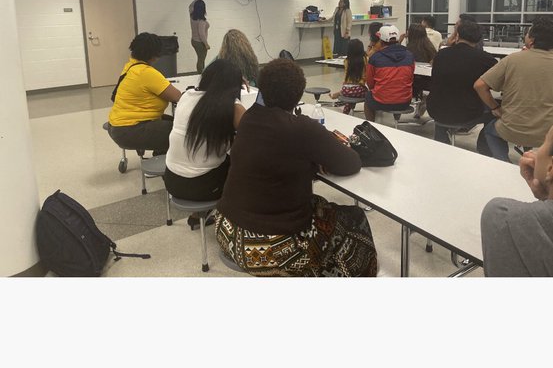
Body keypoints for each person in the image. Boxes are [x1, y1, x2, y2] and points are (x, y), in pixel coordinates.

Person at [215, 58, 377, 276]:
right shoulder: (301, 128)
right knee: (354, 218)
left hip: (228, 229)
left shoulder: (248, 118)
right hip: (267, 247)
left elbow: (276, 157)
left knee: (321, 207)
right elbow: (350, 163)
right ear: (298, 96)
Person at [164, 60, 245, 202]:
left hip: (171, 181)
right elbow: (256, 134)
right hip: (204, 187)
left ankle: (198, 215)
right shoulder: (232, 107)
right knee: (244, 165)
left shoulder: (186, 97)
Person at [474, 17, 553, 160]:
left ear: (532, 40)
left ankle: (503, 163)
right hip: (548, 134)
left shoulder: (513, 59)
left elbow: (480, 85)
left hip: (512, 129)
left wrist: (494, 107)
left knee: (490, 130)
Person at [481, 125, 553, 276]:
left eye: (543, 143)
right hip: (534, 125)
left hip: (514, 128)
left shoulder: (503, 215)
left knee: (490, 127)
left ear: (550, 168)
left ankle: (501, 163)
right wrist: (546, 195)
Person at [426, 20, 497, 150]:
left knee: (445, 99)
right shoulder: (485, 59)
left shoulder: (441, 55)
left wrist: (448, 45)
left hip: (435, 110)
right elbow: (498, 83)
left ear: (457, 35)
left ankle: (440, 142)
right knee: (494, 113)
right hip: (466, 113)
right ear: (479, 39)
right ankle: (484, 150)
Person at [107, 32, 182, 155]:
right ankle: (164, 163)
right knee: (181, 131)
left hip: (117, 126)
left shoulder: (131, 66)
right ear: (155, 55)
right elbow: (177, 96)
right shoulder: (146, 72)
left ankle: (160, 155)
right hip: (130, 129)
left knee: (174, 122)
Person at [364, 25, 415, 122]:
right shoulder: (409, 56)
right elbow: (410, 78)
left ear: (381, 41)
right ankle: (396, 119)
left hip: (381, 101)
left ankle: (371, 126)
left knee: (368, 97)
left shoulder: (375, 58)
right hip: (405, 102)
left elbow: (370, 84)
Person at [404, 22, 437, 119]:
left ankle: (419, 101)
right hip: (429, 81)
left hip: (413, 81)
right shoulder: (429, 47)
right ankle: (423, 101)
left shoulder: (409, 49)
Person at [330, 38, 367, 113]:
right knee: (370, 94)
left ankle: (344, 108)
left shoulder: (346, 61)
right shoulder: (365, 60)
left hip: (345, 89)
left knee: (351, 95)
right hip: (358, 89)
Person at [189, 0, 210, 72]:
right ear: (203, 9)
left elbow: (190, 6)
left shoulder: (192, 16)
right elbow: (202, 34)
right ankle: (200, 75)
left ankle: (201, 74)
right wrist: (206, 44)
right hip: (200, 43)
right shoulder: (201, 21)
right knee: (201, 60)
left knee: (200, 59)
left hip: (194, 41)